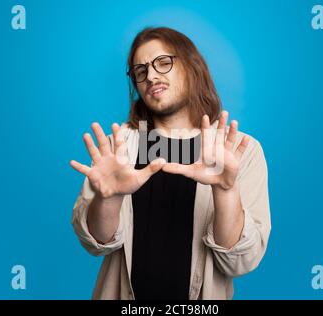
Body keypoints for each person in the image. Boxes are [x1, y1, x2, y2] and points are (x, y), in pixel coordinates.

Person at [69, 27, 271, 300]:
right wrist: (110, 198)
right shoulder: (118, 148)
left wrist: (225, 190)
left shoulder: (238, 151)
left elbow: (240, 261)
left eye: (163, 62)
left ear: (192, 66)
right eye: (140, 70)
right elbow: (96, 244)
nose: (151, 76)